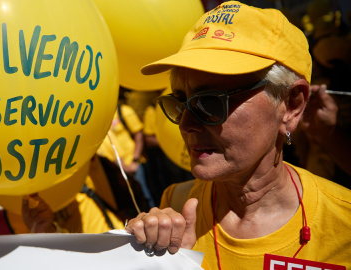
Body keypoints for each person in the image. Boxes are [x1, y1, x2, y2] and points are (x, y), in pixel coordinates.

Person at [125, 1, 351, 269]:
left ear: (291, 104)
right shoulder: (176, 208)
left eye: (210, 102)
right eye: (179, 103)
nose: (186, 125)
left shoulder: (344, 221)